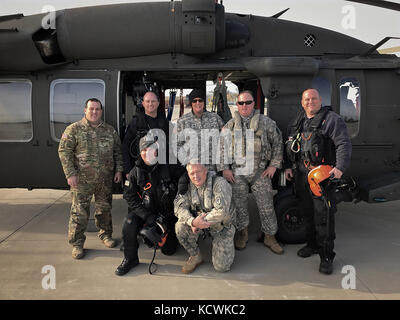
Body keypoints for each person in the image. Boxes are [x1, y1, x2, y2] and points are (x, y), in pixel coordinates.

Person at [284, 88, 352, 275]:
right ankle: (312, 245)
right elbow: (291, 145)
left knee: (324, 218)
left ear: (320, 100)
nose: (310, 102)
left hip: (322, 177)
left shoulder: (331, 120)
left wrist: (339, 168)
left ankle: (326, 256)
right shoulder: (299, 121)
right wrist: (289, 165)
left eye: (314, 98)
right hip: (302, 175)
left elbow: (343, 144)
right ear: (302, 102)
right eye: (306, 99)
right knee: (307, 213)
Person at [218, 91, 284, 254]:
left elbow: (278, 143)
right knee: (239, 206)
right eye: (241, 103)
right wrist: (225, 168)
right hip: (237, 173)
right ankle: (243, 234)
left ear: (254, 103)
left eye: (248, 102)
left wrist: (274, 165)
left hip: (259, 172)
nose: (244, 106)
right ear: (237, 105)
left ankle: (269, 236)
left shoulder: (266, 123)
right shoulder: (230, 126)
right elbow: (221, 149)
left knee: (266, 206)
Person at [58, 98, 123, 259]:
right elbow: (64, 152)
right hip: (81, 181)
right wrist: (70, 174)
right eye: (91, 109)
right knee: (79, 212)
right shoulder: (74, 129)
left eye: (97, 109)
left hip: (104, 180)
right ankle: (77, 243)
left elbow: (118, 152)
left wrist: (119, 171)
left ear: (101, 111)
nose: (94, 112)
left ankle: (105, 235)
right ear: (85, 110)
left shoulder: (109, 131)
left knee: (104, 210)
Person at [115, 135, 179, 276]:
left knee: (169, 250)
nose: (147, 153)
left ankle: (164, 236)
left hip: (168, 215)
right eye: (143, 150)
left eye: (150, 149)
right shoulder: (134, 172)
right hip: (147, 213)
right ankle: (130, 259)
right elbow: (129, 196)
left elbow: (185, 178)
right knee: (129, 221)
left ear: (156, 151)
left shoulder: (169, 166)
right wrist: (146, 216)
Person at [174, 161, 236, 273]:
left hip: (221, 227)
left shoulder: (219, 183)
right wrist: (192, 221)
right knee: (180, 227)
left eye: (198, 172)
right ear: (188, 174)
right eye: (192, 173)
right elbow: (178, 208)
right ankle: (195, 255)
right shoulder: (186, 186)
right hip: (199, 225)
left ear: (206, 171)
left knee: (221, 267)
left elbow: (221, 211)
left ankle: (223, 245)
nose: (195, 176)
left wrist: (199, 222)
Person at [122, 91, 169, 178]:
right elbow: (125, 146)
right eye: (147, 101)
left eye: (153, 101)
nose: (150, 104)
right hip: (141, 169)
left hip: (160, 168)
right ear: (143, 103)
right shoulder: (136, 123)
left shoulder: (164, 122)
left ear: (158, 103)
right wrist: (128, 170)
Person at [176, 89, 224, 171]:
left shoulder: (215, 118)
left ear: (204, 102)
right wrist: (187, 163)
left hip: (214, 169)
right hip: (194, 172)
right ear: (191, 103)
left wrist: (223, 167)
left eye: (200, 100)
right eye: (194, 101)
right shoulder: (182, 121)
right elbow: (177, 145)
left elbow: (224, 142)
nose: (197, 103)